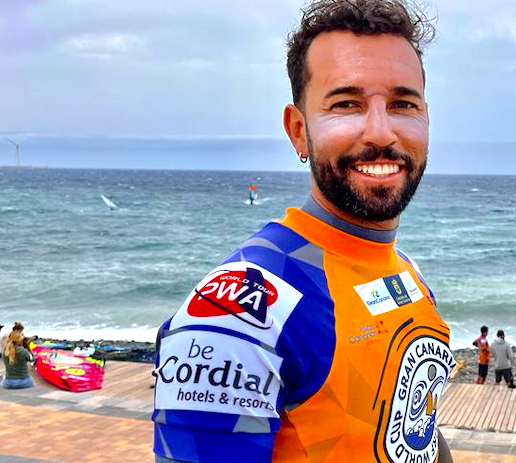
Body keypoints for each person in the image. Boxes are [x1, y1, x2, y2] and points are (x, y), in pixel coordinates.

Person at [152, 2, 456, 462]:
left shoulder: (407, 272)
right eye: (346, 104)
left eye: (402, 105)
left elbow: (417, 434)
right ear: (298, 130)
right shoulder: (235, 313)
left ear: (425, 120)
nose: (380, 132)